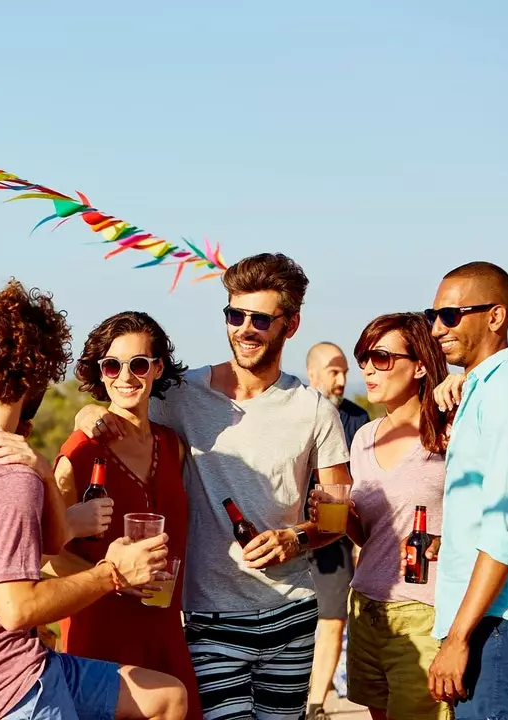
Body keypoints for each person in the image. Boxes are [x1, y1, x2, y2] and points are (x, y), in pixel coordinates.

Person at [76, 253, 351, 720]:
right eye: (234, 315)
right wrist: (87, 417)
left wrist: (296, 537)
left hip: (292, 616)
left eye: (260, 318)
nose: (245, 328)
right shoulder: (180, 394)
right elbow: (122, 412)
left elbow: (339, 515)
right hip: (209, 618)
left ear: (292, 324)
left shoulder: (315, 410)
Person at [0, 279, 188, 720]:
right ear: (37, 373)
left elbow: (42, 543)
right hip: (6, 692)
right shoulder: (5, 472)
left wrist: (42, 471)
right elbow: (18, 610)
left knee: (169, 698)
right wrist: (113, 574)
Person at [44, 311, 202, 720]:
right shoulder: (80, 450)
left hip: (164, 629)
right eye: (112, 365)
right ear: (101, 372)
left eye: (138, 364)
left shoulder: (172, 446)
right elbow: (49, 552)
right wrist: (109, 578)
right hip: (100, 632)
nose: (125, 376)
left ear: (157, 368)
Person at [422, 262, 508, 720]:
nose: (437, 328)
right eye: (433, 314)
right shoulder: (489, 388)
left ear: (495, 317)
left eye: (450, 315)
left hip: (497, 625)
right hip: (484, 620)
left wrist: (459, 638)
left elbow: (507, 529)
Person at [310, 312, 455, 720]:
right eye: (363, 359)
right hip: (367, 606)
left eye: (382, 358)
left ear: (422, 365)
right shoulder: (363, 437)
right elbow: (368, 536)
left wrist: (473, 385)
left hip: (425, 613)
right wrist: (338, 517)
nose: (368, 369)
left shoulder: (450, 432)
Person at [303, 342, 370, 720]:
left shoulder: (358, 419)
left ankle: (315, 705)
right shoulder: (293, 410)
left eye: (345, 371)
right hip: (290, 535)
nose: (342, 379)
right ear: (312, 373)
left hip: (334, 539)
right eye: (333, 370)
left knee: (332, 620)